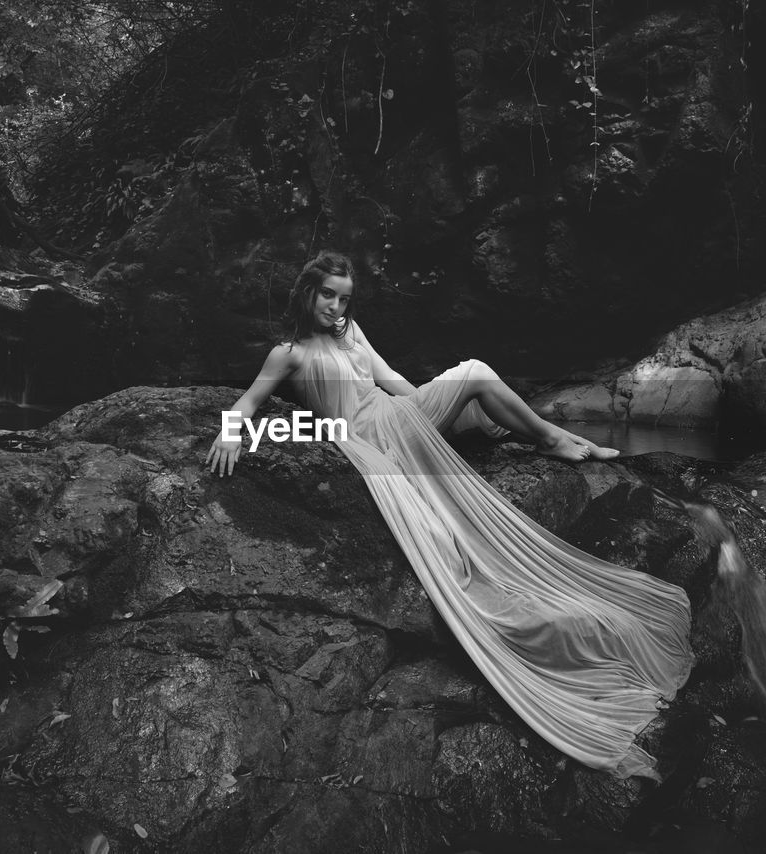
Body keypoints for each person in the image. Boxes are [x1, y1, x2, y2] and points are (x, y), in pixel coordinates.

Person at [206, 251, 694, 779]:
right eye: (328, 295)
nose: (336, 306)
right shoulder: (290, 353)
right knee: (476, 373)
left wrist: (432, 418)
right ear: (307, 292)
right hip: (367, 438)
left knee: (471, 381)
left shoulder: (351, 333)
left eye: (345, 298)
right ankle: (551, 437)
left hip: (398, 419)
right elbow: (248, 401)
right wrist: (232, 434)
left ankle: (545, 435)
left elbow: (392, 380)